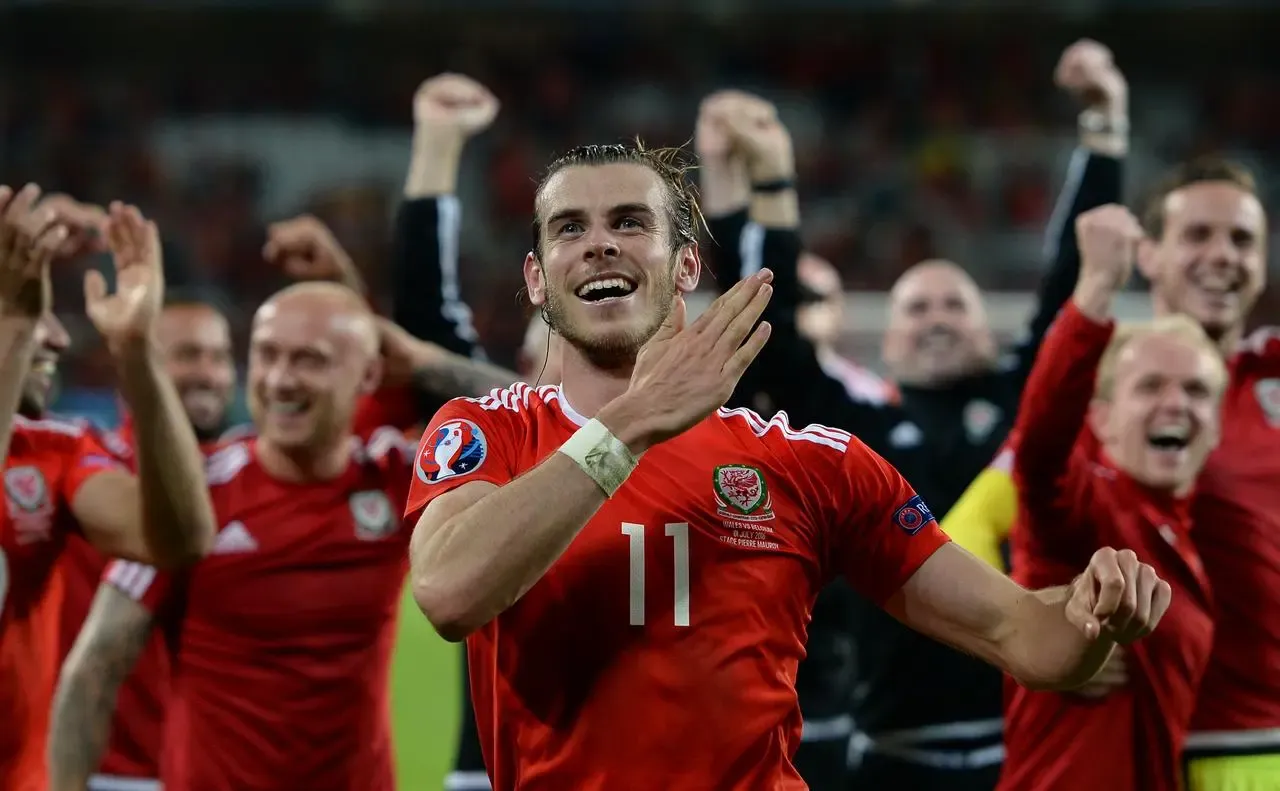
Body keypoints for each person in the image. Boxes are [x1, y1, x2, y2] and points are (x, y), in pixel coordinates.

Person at [404, 140, 1172, 790]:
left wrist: (1092, 614)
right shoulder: (483, 431)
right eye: (570, 228)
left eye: (631, 223)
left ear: (683, 267)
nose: (600, 242)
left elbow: (1023, 635)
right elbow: (448, 591)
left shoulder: (810, 462)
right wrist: (632, 421)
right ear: (539, 278)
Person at [693, 40, 1128, 788]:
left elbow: (1068, 287)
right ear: (886, 338)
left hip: (1018, 745)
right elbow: (774, 334)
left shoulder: (1018, 401)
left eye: (952, 303)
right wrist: (764, 184)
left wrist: (1104, 131)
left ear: (986, 325)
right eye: (915, 306)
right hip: (891, 755)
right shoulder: (849, 416)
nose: (934, 317)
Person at [0, 187, 218, 791]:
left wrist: (138, 350)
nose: (59, 339)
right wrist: (13, 326)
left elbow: (180, 541)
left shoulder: (54, 453)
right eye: (33, 307)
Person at [999, 205, 1223, 790]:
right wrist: (1096, 290)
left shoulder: (1184, 532)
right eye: (1150, 386)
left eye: (1197, 390)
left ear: (1217, 427)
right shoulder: (1085, 511)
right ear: (1100, 417)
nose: (1176, 404)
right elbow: (1040, 450)